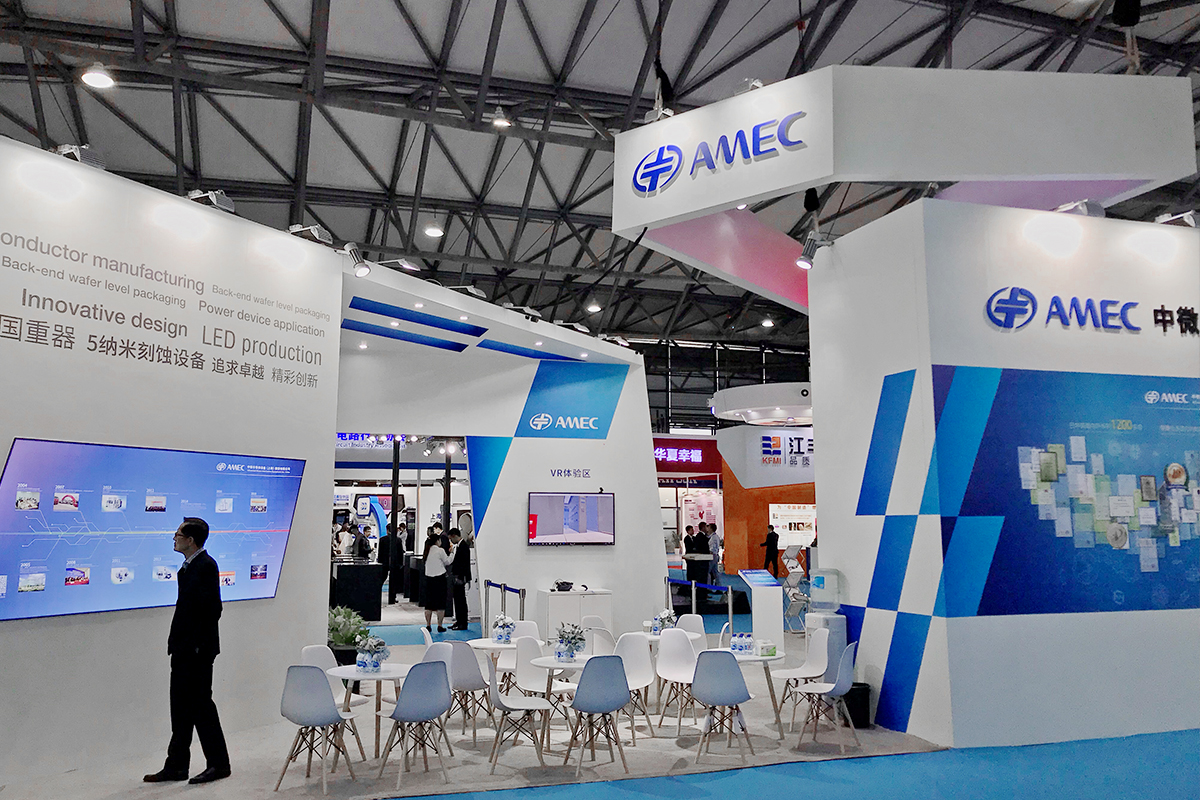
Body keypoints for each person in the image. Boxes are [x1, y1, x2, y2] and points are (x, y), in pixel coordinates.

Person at [144, 518, 231, 785]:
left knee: (202, 706)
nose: (174, 538)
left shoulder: (205, 566)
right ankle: (177, 765)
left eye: (178, 534)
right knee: (180, 708)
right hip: (183, 648)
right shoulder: (188, 567)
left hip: (197, 651)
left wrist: (196, 645)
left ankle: (219, 764)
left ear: (190, 540)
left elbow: (212, 610)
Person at [422, 529, 452, 632]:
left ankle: (428, 624)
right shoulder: (440, 551)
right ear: (437, 541)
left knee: (429, 604)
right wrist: (452, 553)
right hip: (440, 579)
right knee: (441, 603)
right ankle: (440, 625)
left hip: (428, 579)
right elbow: (447, 562)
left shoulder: (426, 551)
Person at [447, 528, 472, 630]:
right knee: (457, 600)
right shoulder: (459, 546)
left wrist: (461, 578)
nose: (451, 541)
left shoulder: (464, 546)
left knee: (461, 601)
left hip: (460, 577)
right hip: (457, 576)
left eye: (450, 539)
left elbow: (464, 565)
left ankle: (463, 623)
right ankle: (459, 621)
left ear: (454, 536)